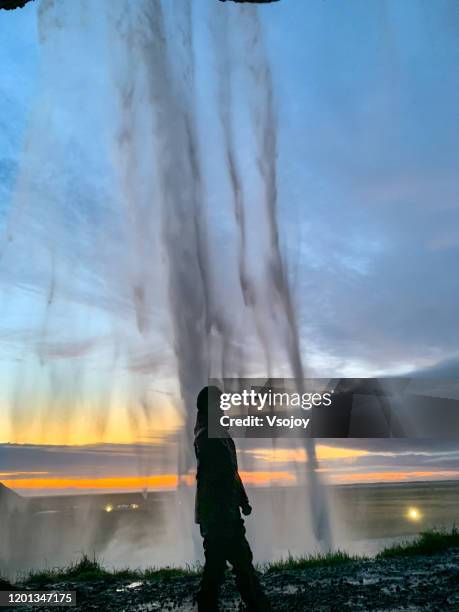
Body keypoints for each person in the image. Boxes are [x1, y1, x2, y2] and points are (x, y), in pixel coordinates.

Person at [194, 386, 270, 612]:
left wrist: (242, 501)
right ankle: (254, 603)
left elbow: (232, 473)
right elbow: (218, 476)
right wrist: (231, 507)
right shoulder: (207, 435)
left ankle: (254, 603)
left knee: (233, 562)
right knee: (227, 563)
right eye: (219, 404)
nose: (223, 407)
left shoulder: (217, 433)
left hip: (224, 511)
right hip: (218, 513)